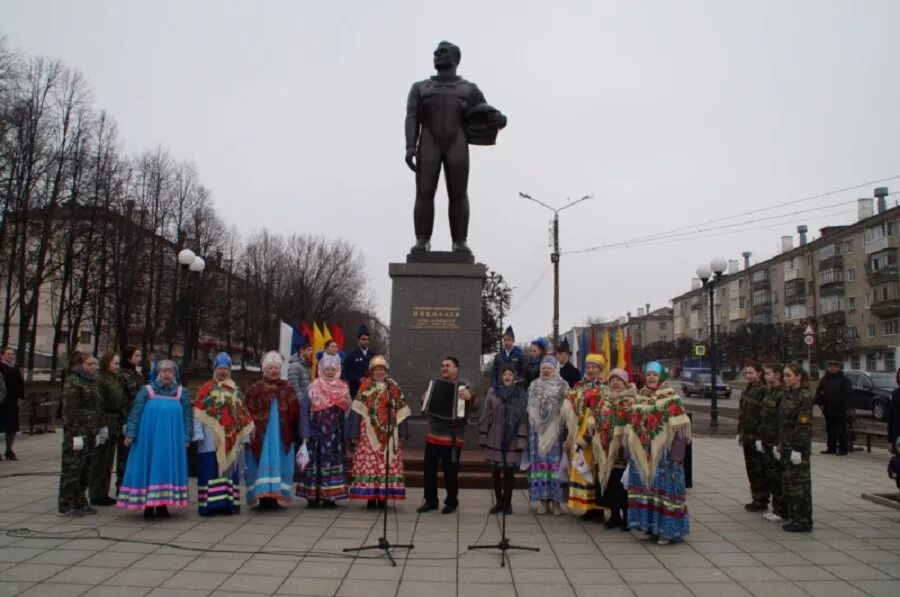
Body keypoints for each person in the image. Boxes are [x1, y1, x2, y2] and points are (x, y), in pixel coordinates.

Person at [405, 40, 506, 254]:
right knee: (424, 193)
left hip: (456, 144)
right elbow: (412, 117)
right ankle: (422, 239)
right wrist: (410, 147)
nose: (436, 55)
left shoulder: (468, 89)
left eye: (442, 52)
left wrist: (500, 119)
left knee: (459, 194)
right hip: (428, 143)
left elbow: (485, 113)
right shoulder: (420, 87)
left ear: (455, 58)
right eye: (435, 52)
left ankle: (460, 241)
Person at [626, 361, 691, 545]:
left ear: (661, 376)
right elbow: (633, 426)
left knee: (665, 493)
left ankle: (667, 531)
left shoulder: (671, 398)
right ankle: (649, 527)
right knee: (647, 492)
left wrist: (678, 456)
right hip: (643, 455)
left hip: (666, 456)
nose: (651, 377)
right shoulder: (640, 397)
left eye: (655, 374)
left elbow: (680, 430)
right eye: (648, 375)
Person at [117, 360, 192, 520]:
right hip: (148, 440)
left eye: (170, 371)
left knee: (166, 469)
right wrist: (130, 433)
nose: (166, 374)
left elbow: (187, 416)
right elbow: (136, 412)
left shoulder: (181, 392)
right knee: (148, 468)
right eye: (163, 371)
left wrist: (187, 436)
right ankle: (148, 506)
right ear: (157, 373)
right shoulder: (147, 390)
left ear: (174, 374)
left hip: (171, 441)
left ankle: (163, 504)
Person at [192, 353, 254, 516]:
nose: (223, 372)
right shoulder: (205, 389)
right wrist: (198, 433)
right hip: (209, 438)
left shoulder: (235, 390)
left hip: (230, 439)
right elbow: (198, 413)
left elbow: (242, 414)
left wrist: (244, 437)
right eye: (220, 368)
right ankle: (210, 505)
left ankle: (228, 504)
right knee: (210, 470)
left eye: (226, 368)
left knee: (228, 471)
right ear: (214, 369)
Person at [417, 356, 476, 514]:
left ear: (456, 369)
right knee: (429, 470)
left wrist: (470, 399)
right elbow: (425, 407)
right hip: (433, 435)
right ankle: (430, 500)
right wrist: (423, 400)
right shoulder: (434, 385)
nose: (444, 368)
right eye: (442, 365)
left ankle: (451, 501)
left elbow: (474, 406)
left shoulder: (464, 387)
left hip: (453, 436)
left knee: (451, 471)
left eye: (448, 366)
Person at [349, 355, 410, 509]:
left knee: (386, 463)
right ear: (371, 371)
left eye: (381, 369)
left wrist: (403, 431)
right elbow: (357, 411)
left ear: (386, 371)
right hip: (368, 433)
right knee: (370, 463)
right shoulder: (365, 387)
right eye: (376, 369)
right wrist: (354, 433)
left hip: (390, 433)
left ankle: (383, 497)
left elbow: (401, 411)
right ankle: (370, 497)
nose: (379, 372)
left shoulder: (394, 387)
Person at [245, 351, 299, 510]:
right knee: (262, 460)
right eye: (270, 368)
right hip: (262, 434)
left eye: (276, 367)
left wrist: (294, 431)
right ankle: (262, 498)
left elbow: (295, 411)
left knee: (279, 461)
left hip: (281, 435)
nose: (274, 370)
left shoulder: (287, 388)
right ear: (264, 369)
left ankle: (275, 496)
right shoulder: (255, 388)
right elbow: (246, 410)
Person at [298, 353, 351, 507]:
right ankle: (312, 496)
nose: (329, 372)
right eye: (326, 368)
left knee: (332, 464)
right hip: (316, 435)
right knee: (315, 464)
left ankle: (330, 496)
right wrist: (305, 434)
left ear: (337, 370)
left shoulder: (343, 388)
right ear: (320, 369)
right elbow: (304, 411)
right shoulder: (313, 387)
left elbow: (347, 413)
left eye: (332, 369)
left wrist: (346, 435)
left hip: (335, 437)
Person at [589, 367, 636, 530]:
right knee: (608, 483)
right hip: (605, 448)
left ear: (625, 382)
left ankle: (627, 517)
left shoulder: (632, 400)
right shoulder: (605, 399)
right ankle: (614, 515)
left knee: (622, 484)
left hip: (623, 449)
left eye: (619, 380)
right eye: (612, 380)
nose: (615, 383)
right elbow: (596, 418)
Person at [478, 364, 528, 514]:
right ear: (501, 377)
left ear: (514, 378)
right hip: (495, 436)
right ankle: (498, 501)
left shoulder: (520, 394)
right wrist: (483, 437)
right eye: (505, 374)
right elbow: (486, 414)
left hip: (511, 437)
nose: (507, 377)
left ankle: (508, 502)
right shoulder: (493, 392)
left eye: (510, 375)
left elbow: (522, 418)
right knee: (495, 472)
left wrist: (520, 440)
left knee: (509, 473)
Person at [58, 352, 101, 516]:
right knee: (72, 468)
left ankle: (80, 500)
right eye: (89, 364)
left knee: (86, 468)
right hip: (76, 433)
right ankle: (66, 504)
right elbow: (69, 411)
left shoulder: (91, 382)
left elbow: (97, 406)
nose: (93, 367)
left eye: (94, 364)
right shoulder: (73, 382)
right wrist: (74, 433)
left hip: (90, 431)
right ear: (79, 364)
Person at [562, 354, 604, 521]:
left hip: (595, 434)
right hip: (578, 430)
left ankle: (598, 508)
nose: (591, 370)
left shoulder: (605, 388)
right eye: (589, 367)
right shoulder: (580, 386)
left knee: (595, 468)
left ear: (601, 370)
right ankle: (587, 506)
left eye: (595, 367)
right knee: (581, 466)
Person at [526, 355, 569, 516]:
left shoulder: (562, 385)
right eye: (543, 368)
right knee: (540, 466)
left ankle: (557, 502)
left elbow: (568, 407)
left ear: (555, 369)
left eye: (549, 368)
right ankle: (543, 501)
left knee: (555, 467)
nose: (545, 370)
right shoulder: (533, 385)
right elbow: (529, 407)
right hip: (538, 432)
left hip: (556, 433)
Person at [780, 363, 814, 532]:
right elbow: (783, 423)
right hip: (786, 445)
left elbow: (804, 424)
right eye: (784, 376)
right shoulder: (788, 395)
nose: (785, 379)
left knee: (800, 485)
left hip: (797, 446)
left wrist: (798, 448)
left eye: (789, 375)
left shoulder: (804, 396)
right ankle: (794, 516)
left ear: (799, 376)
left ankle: (804, 520)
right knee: (789, 483)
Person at [89, 352, 124, 506]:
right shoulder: (100, 380)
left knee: (109, 459)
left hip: (114, 422)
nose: (117, 366)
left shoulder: (114, 379)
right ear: (106, 363)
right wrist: (100, 425)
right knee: (100, 459)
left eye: (118, 363)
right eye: (115, 363)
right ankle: (96, 493)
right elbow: (99, 404)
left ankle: (104, 492)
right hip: (104, 421)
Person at [738, 362, 770, 512]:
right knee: (751, 468)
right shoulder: (747, 390)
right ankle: (756, 497)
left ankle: (761, 499)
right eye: (746, 373)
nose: (748, 376)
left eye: (751, 373)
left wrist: (759, 436)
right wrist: (740, 432)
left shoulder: (763, 390)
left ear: (759, 373)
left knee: (758, 469)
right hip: (747, 435)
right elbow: (743, 413)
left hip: (756, 435)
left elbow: (764, 415)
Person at [116, 346, 144, 496]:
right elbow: (121, 398)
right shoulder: (122, 375)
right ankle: (121, 486)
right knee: (124, 454)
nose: (140, 358)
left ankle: (132, 485)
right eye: (137, 355)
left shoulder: (138, 374)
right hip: (126, 417)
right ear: (128, 357)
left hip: (138, 417)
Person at [760, 363, 786, 523]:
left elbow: (781, 421)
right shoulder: (770, 392)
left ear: (777, 375)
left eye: (768, 373)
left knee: (779, 476)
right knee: (771, 475)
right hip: (767, 440)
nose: (765, 376)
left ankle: (782, 510)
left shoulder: (782, 394)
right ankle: (777, 508)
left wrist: (779, 443)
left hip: (777, 441)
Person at [814, 359, 852, 455]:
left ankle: (843, 449)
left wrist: (841, 403)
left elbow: (848, 394)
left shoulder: (844, 379)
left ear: (838, 368)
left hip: (840, 409)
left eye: (834, 367)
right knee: (830, 430)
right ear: (827, 368)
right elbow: (819, 392)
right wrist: (821, 403)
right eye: (830, 366)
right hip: (828, 409)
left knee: (840, 430)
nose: (832, 368)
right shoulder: (824, 379)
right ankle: (831, 448)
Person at [0, 346, 25, 461]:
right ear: (2, 355)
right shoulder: (0, 366)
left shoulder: (15, 368)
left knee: (12, 427)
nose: (11, 356)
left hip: (12, 400)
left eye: (12, 354)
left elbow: (20, 384)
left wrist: (21, 397)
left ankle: (9, 450)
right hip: (1, 400)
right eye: (8, 354)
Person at [343, 324, 372, 399]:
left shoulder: (373, 355)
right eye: (363, 339)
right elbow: (346, 373)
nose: (366, 341)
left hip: (370, 390)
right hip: (355, 390)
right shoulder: (351, 355)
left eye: (368, 339)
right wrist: (358, 379)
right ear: (358, 340)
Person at [287, 335, 313, 401]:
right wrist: (301, 401)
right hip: (299, 402)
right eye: (309, 350)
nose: (311, 352)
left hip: (307, 400)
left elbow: (310, 383)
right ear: (301, 350)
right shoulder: (295, 366)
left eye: (311, 350)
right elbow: (293, 386)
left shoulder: (307, 365)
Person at [887, 368, 900, 453]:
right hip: (897, 433)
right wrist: (890, 441)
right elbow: (891, 417)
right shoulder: (895, 393)